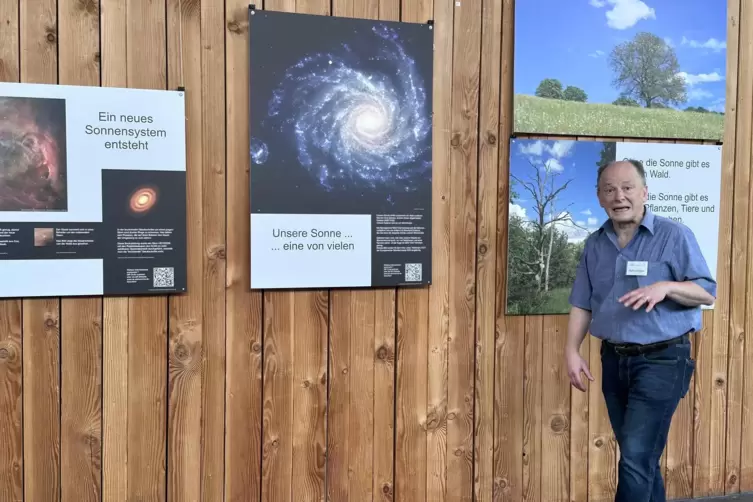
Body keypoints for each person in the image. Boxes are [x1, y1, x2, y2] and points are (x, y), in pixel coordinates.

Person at [564, 159, 716, 502]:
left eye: (628, 187)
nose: (619, 196)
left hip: (663, 360)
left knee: (634, 458)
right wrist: (572, 351)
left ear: (644, 192)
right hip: (614, 362)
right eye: (609, 189)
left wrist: (665, 287)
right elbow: (582, 303)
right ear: (600, 198)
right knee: (642, 459)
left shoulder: (674, 235)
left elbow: (706, 291)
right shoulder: (594, 245)